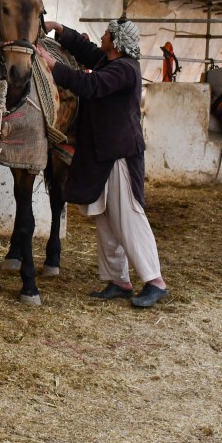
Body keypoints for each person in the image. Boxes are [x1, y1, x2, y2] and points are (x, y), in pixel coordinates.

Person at [35, 17, 169, 308]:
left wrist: (52, 64)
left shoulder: (125, 69)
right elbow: (88, 52)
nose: (103, 35)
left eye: (108, 33)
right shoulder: (112, 62)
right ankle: (119, 280)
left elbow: (90, 84)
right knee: (106, 217)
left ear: (117, 40)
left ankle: (155, 281)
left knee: (129, 216)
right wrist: (62, 30)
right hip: (103, 153)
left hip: (120, 154)